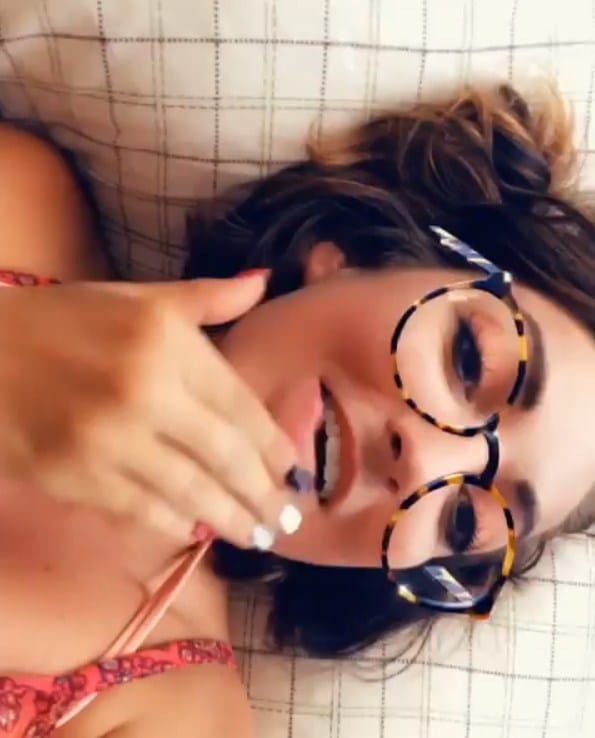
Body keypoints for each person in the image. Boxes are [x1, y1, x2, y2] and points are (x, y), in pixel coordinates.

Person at [0, 83, 593, 737]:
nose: (424, 462)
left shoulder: (172, 714)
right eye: (468, 361)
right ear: (358, 254)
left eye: (460, 520)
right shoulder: (21, 200)